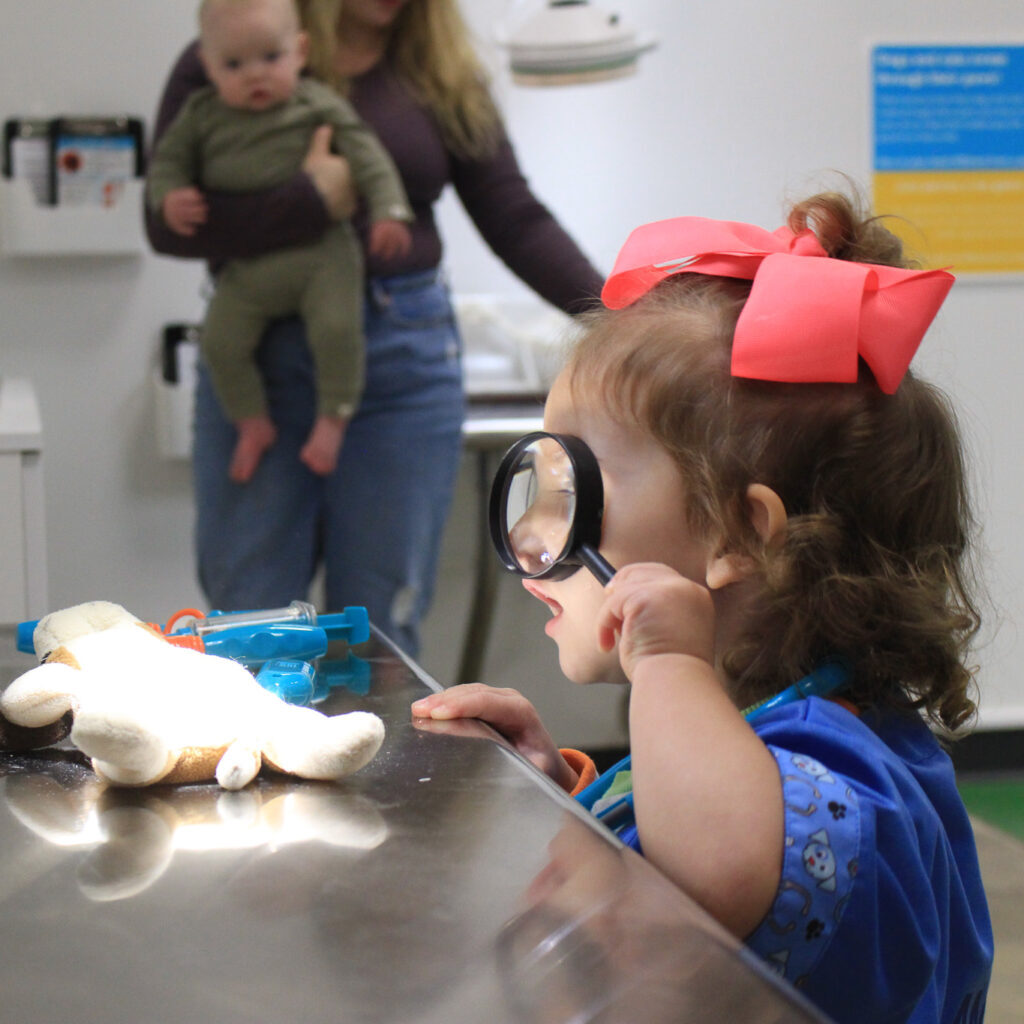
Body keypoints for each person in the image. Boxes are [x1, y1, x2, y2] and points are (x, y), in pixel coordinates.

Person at [411, 192, 994, 1023]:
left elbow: (719, 872)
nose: (537, 534)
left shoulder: (840, 773)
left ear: (738, 536)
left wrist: (670, 665)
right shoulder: (764, 731)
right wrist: (556, 785)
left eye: (571, 490)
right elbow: (677, 844)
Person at [145, 0, 603, 652]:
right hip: (260, 358)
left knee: (382, 629)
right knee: (250, 622)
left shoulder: (438, 69)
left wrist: (617, 313)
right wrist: (310, 202)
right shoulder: (242, 48)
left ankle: (372, 755)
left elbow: (513, 215)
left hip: (403, 357)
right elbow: (165, 221)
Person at [147, 0, 412, 483]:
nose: (255, 76)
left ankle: (333, 421)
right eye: (233, 65)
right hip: (247, 269)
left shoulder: (315, 104)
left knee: (337, 330)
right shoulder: (201, 115)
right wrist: (170, 198)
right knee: (221, 343)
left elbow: (368, 156)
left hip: (324, 259)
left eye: (271, 58)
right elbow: (165, 165)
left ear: (301, 51)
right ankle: (252, 424)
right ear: (207, 66)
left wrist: (390, 211)